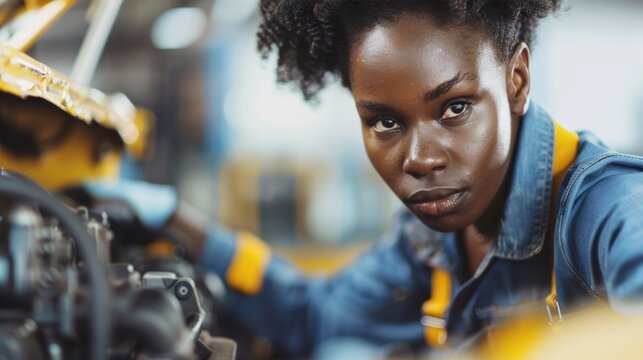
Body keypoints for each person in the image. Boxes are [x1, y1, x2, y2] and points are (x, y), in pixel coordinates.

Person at [77, 0, 643, 357]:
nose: (419, 158)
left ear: (517, 80)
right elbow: (313, 317)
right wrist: (177, 220)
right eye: (385, 121)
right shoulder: (426, 240)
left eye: (454, 109)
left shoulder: (608, 206)